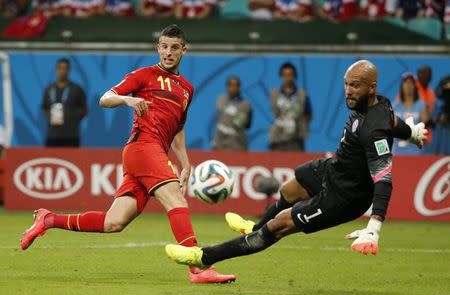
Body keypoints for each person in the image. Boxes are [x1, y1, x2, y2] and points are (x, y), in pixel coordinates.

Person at [22, 25, 236, 284]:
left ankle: (48, 219)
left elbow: (178, 128)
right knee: (176, 201)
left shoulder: (187, 89)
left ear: (184, 50)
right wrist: (127, 100)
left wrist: (186, 164)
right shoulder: (143, 75)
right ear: (158, 48)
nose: (168, 52)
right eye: (164, 46)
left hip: (149, 152)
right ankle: (198, 270)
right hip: (143, 146)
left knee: (114, 222)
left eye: (174, 48)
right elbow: (105, 98)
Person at [164, 60, 428, 269]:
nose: (348, 91)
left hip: (345, 197)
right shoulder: (382, 105)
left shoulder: (373, 130)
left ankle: (202, 257)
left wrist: (374, 227)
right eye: (346, 84)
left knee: (277, 225)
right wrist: (413, 134)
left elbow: (383, 178)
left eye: (355, 86)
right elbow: (394, 123)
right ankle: (253, 227)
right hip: (335, 170)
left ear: (371, 87)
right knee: (292, 187)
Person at [42, 58, 88, 147]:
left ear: (69, 71)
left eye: (65, 68)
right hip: (52, 135)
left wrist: (72, 120)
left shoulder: (76, 89)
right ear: (56, 70)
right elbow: (44, 107)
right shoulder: (49, 89)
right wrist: (51, 117)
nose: (62, 71)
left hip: (71, 135)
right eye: (60, 68)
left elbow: (85, 109)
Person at [269, 62, 312, 151]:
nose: (288, 78)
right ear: (281, 75)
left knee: (297, 163)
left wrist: (299, 122)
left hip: (296, 138)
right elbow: (275, 112)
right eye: (285, 75)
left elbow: (309, 114)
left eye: (290, 75)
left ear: (294, 75)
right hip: (278, 137)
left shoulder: (302, 94)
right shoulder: (274, 94)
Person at [392, 72, 429, 155]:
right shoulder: (394, 106)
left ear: (415, 86)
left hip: (416, 152)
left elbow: (425, 128)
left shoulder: (422, 105)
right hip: (397, 152)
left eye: (411, 83)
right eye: (406, 83)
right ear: (402, 86)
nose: (408, 86)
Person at [212, 76, 252, 151]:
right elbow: (220, 118)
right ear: (227, 87)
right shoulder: (220, 99)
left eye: (236, 85)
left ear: (239, 87)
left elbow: (238, 123)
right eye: (230, 85)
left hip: (237, 145)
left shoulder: (245, 104)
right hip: (219, 144)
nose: (233, 88)